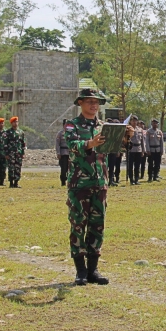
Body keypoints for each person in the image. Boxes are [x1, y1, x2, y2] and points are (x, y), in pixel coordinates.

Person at [64, 88, 110, 286]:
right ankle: (80, 271)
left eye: (97, 102)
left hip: (99, 183)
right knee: (78, 225)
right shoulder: (71, 125)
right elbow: (73, 146)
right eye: (90, 101)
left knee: (97, 226)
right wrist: (90, 143)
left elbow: (113, 150)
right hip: (79, 184)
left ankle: (93, 269)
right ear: (80, 103)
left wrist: (125, 138)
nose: (94, 105)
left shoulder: (103, 126)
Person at [4, 116, 26, 188]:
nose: (15, 123)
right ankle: (11, 183)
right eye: (14, 122)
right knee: (11, 168)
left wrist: (23, 153)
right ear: (11, 123)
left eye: (16, 122)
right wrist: (6, 153)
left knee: (18, 168)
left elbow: (23, 143)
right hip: (11, 153)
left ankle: (16, 182)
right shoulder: (8, 132)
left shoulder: (21, 132)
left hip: (18, 153)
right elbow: (5, 144)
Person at [128, 116, 145, 185]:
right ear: (130, 121)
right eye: (133, 121)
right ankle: (131, 180)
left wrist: (143, 150)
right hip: (131, 149)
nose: (134, 122)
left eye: (135, 121)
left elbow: (142, 141)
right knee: (130, 166)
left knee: (137, 166)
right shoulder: (128, 129)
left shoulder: (140, 130)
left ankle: (136, 179)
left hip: (138, 149)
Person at [55, 119, 70, 187]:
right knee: (63, 169)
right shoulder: (60, 134)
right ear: (63, 125)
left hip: (70, 153)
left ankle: (70, 182)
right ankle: (63, 181)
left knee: (70, 169)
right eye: (65, 124)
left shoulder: (71, 133)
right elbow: (57, 144)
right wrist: (58, 153)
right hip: (63, 153)